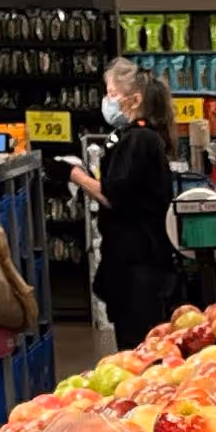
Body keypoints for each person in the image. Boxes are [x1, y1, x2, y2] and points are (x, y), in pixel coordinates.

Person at [78, 58, 186, 347]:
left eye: (112, 92)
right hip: (138, 263)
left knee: (139, 348)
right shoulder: (141, 137)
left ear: (135, 98)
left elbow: (115, 195)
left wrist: (74, 174)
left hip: (138, 266)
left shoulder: (138, 140)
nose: (107, 99)